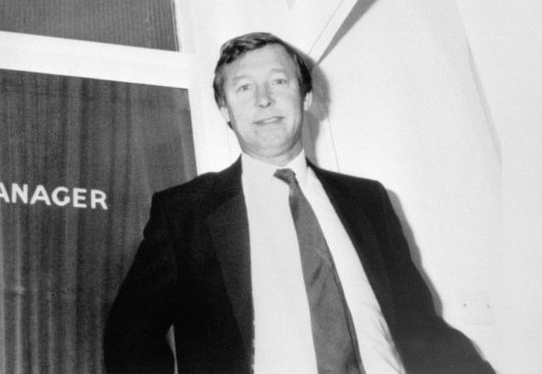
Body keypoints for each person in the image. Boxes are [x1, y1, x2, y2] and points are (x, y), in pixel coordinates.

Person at [103, 32, 494, 373]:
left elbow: (421, 326)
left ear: (305, 97)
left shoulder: (369, 201)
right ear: (225, 110)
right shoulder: (186, 212)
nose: (264, 99)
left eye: (279, 81)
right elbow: (130, 334)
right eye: (244, 88)